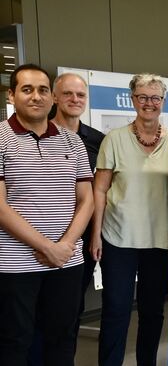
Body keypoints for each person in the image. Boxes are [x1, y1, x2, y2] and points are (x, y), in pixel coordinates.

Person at [0, 64, 94, 366]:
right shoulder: (1, 138)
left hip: (67, 261)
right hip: (16, 265)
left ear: (52, 98)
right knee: (16, 340)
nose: (36, 96)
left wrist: (64, 245)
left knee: (62, 337)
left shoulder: (71, 141)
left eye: (42, 90)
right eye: (27, 89)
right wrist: (47, 246)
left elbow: (87, 200)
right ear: (12, 95)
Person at [91, 73, 168, 366]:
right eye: (142, 97)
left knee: (153, 312)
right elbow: (99, 190)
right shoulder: (114, 140)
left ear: (163, 102)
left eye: (155, 98)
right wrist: (95, 236)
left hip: (160, 239)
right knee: (116, 310)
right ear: (133, 100)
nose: (149, 103)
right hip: (119, 239)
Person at [52, 73, 106, 332]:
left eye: (81, 94)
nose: (75, 99)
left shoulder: (98, 141)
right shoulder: (37, 136)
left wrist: (95, 235)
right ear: (55, 97)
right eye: (68, 94)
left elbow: (101, 193)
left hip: (82, 240)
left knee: (72, 310)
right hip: (39, 237)